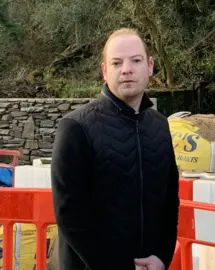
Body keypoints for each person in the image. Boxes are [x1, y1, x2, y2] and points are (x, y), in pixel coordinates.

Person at [51, 28, 179, 270]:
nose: (127, 69)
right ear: (104, 71)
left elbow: (169, 199)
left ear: (150, 66)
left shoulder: (160, 125)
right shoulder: (76, 127)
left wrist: (162, 256)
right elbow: (70, 214)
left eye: (136, 60)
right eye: (117, 62)